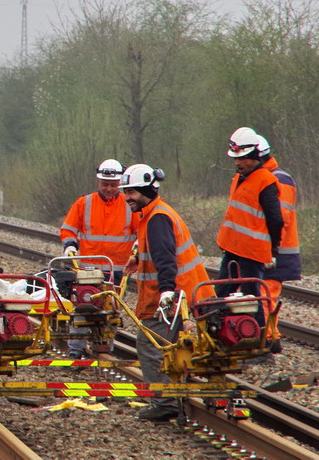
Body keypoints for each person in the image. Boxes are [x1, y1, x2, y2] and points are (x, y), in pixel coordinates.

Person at [120, 164, 213, 421]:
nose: (126, 197)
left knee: (151, 346)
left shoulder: (157, 218)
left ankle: (165, 402)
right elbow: (157, 249)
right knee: (173, 349)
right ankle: (175, 396)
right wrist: (139, 256)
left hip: (170, 297)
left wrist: (166, 294)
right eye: (125, 192)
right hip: (180, 294)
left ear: (146, 190)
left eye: (131, 192)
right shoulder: (154, 214)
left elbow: (166, 261)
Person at [59, 159, 137, 358]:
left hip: (117, 270)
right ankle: (76, 350)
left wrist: (138, 250)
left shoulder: (130, 205)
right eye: (105, 184)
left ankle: (104, 347)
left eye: (113, 185)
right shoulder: (84, 203)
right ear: (98, 182)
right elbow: (68, 229)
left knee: (111, 310)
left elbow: (141, 232)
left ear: (120, 183)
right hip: (87, 270)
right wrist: (70, 245)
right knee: (82, 307)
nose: (109, 188)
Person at [215, 128, 283, 319]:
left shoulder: (266, 182)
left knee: (251, 300)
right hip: (233, 249)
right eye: (235, 158)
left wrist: (273, 249)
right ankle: (223, 332)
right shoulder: (239, 178)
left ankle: (260, 333)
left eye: (242, 158)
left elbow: (276, 220)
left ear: (254, 156)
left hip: (252, 253)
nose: (238, 162)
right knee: (220, 298)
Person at [257, 135, 299, 354]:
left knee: (264, 296)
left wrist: (270, 250)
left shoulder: (279, 179)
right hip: (266, 249)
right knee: (262, 295)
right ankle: (269, 339)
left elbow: (279, 219)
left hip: (275, 251)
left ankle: (268, 341)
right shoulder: (264, 177)